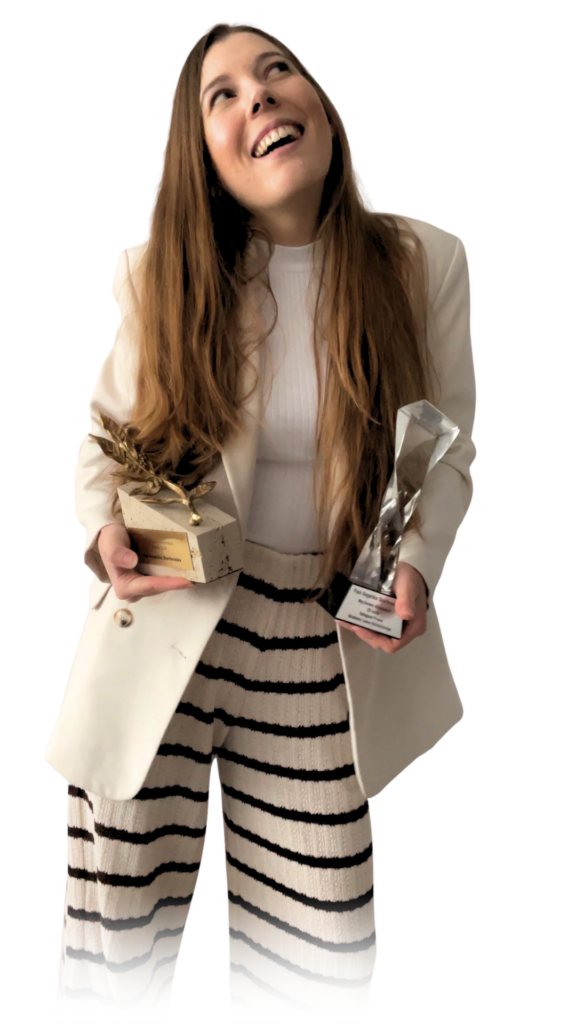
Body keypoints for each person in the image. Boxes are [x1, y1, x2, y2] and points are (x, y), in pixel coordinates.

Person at [54, 17, 475, 1024]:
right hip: (166, 614)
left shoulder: (425, 260)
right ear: (202, 154)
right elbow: (103, 444)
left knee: (317, 958)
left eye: (279, 70)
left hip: (323, 633)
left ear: (321, 104)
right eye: (225, 95)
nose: (261, 97)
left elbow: (441, 446)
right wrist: (104, 536)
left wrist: (414, 561)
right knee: (116, 956)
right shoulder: (159, 272)